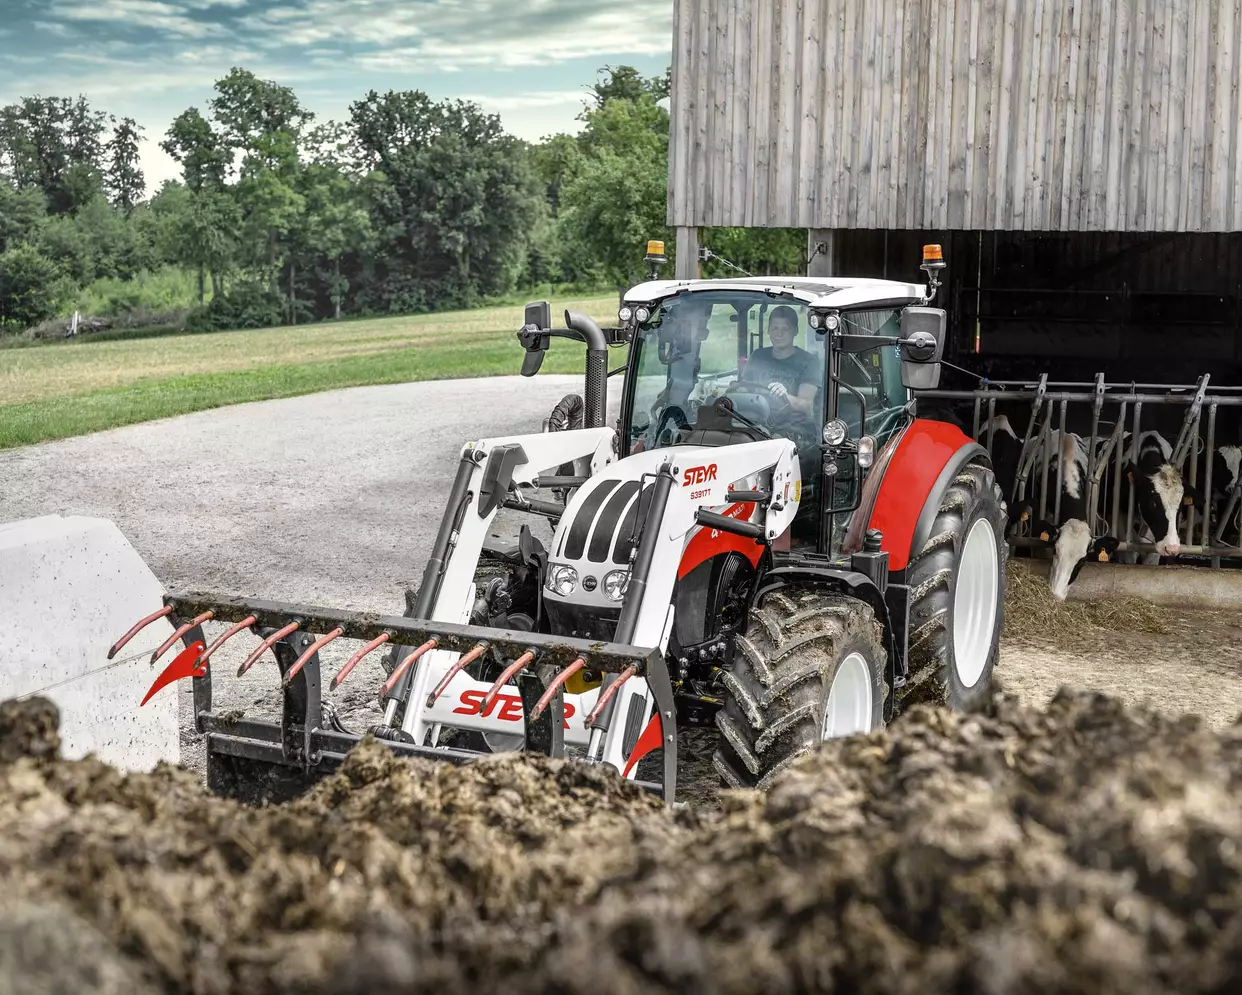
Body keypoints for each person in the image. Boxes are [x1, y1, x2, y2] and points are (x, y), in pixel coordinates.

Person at [737, 305, 819, 416]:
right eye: (774, 328)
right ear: (768, 330)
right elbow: (745, 388)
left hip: (793, 427)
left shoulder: (809, 362)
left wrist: (784, 396)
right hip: (756, 424)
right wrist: (736, 391)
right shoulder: (757, 356)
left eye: (785, 329)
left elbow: (806, 405)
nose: (779, 334)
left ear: (796, 331)